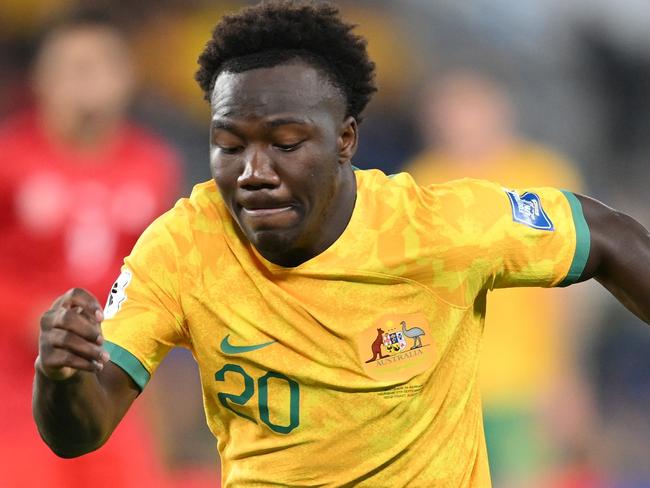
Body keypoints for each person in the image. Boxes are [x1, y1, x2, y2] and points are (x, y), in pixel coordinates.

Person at [32, 2, 650, 487]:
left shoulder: (433, 225)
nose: (254, 170)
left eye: (286, 141)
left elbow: (606, 236)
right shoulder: (183, 245)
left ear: (346, 140)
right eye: (230, 143)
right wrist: (60, 376)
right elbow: (82, 429)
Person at [0, 9, 180, 488]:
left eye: (100, 65)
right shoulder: (8, 158)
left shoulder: (154, 164)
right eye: (72, 66)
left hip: (110, 391)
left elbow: (158, 283)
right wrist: (25, 313)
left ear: (128, 76)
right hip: (15, 396)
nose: (87, 79)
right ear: (40, 78)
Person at [405, 70, 593, 486]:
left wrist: (566, 376)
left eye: (470, 107)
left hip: (523, 382)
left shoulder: (541, 174)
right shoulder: (420, 181)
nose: (458, 121)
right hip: (445, 387)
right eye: (447, 111)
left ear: (499, 110)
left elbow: (567, 292)